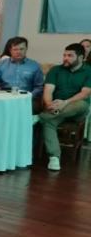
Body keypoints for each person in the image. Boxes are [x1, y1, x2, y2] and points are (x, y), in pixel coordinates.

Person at [39, 43, 91, 172]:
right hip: (56, 109)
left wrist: (64, 103)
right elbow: (48, 91)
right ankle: (54, 157)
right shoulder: (56, 70)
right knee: (49, 121)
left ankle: (39, 117)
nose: (65, 58)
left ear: (81, 57)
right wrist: (49, 104)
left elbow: (84, 93)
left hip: (77, 107)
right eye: (64, 55)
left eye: (70, 56)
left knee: (79, 104)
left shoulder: (89, 71)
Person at [0, 38, 44, 109]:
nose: (19, 52)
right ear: (10, 50)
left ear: (26, 49)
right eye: (15, 49)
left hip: (26, 99)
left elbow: (39, 87)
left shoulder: (34, 65)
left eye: (21, 49)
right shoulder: (1, 64)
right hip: (5, 97)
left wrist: (29, 96)